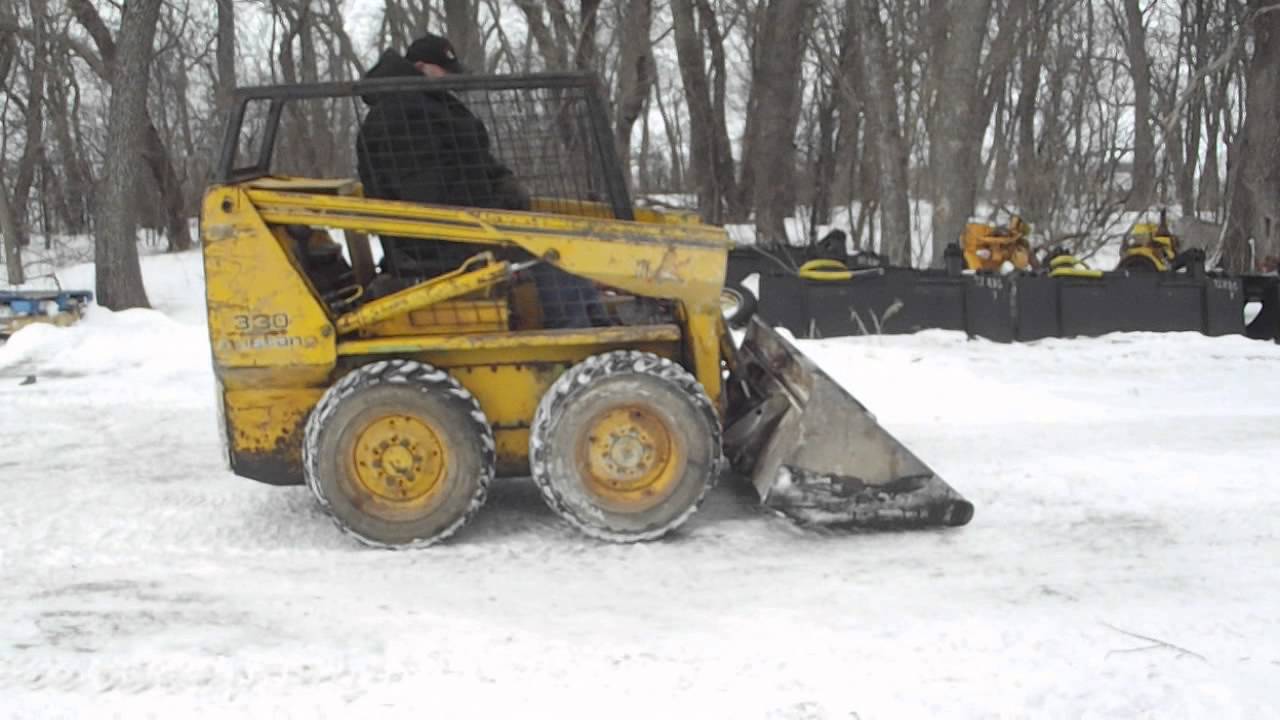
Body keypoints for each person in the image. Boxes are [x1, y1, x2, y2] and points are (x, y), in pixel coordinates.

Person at [356, 34, 607, 329]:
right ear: (421, 67)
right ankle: (575, 333)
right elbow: (430, 194)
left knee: (559, 239)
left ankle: (596, 323)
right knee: (550, 251)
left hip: (467, 225)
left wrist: (504, 187)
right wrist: (495, 206)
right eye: (445, 71)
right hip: (436, 240)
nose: (452, 80)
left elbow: (474, 162)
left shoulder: (429, 105)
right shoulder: (401, 116)